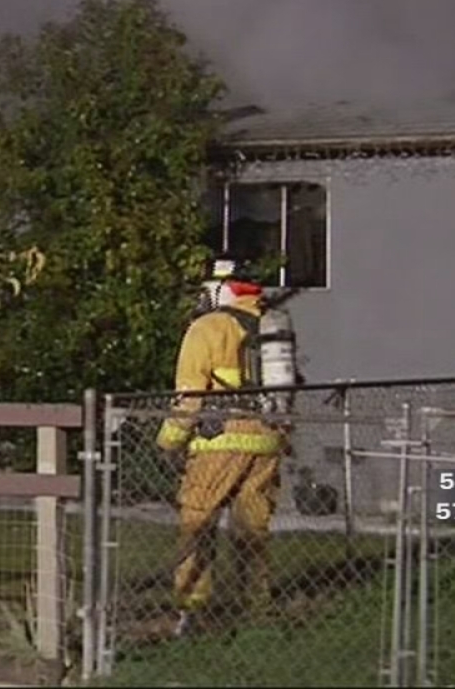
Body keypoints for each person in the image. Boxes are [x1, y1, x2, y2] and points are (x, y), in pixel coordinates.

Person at [156, 257, 289, 637]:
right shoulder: (270, 324)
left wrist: (169, 440)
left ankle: (191, 610)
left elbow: (189, 395)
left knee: (197, 520)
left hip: (219, 440)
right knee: (253, 527)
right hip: (266, 439)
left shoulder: (207, 327)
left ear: (223, 288)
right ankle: (257, 607)